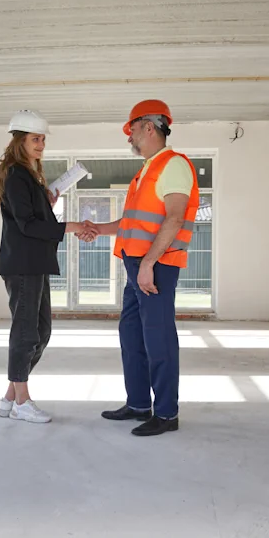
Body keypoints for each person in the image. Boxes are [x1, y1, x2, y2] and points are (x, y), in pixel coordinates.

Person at [82, 100, 199, 436]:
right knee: (131, 334)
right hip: (137, 265)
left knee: (158, 338)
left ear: (149, 127)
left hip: (156, 265)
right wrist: (99, 229)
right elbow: (133, 222)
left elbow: (175, 217)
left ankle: (166, 414)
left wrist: (149, 263)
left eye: (131, 130)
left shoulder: (172, 165)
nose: (129, 138)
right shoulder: (147, 170)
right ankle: (138, 404)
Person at [0, 109, 95, 424]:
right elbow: (27, 225)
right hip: (23, 264)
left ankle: (10, 396)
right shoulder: (15, 175)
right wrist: (73, 225)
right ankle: (22, 400)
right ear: (19, 142)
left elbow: (34, 217)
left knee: (41, 330)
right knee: (25, 331)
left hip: (34, 263)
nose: (41, 145)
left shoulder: (28, 177)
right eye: (35, 139)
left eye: (43, 140)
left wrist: (46, 201)